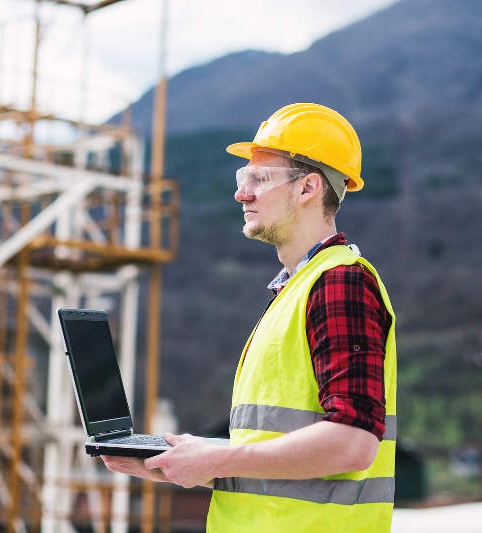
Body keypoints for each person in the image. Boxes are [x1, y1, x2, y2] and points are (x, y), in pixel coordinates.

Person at [102, 103, 398, 532]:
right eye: (244, 178)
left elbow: (351, 443)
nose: (243, 193)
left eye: (260, 179)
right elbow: (280, 464)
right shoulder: (300, 288)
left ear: (308, 188)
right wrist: (191, 464)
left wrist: (217, 458)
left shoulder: (339, 284)